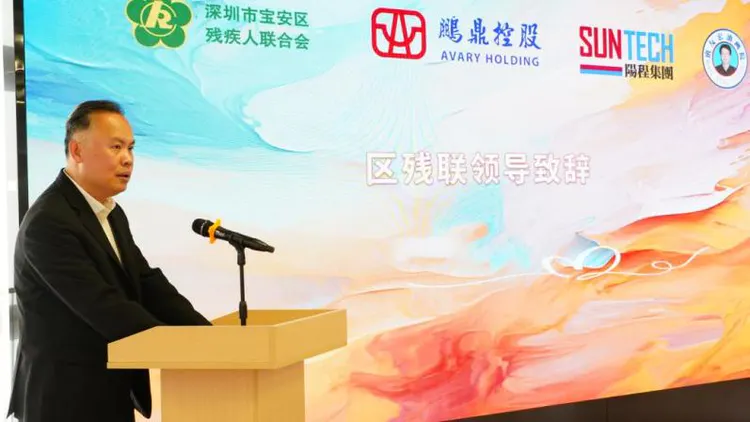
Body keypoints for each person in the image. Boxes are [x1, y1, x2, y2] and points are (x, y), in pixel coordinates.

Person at [7, 100, 212, 422]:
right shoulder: (49, 222)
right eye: (116, 147)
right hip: (63, 399)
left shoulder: (110, 212)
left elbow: (146, 282)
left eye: (131, 148)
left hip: (108, 388)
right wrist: (185, 347)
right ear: (77, 151)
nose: (127, 158)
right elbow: (104, 306)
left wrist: (208, 336)